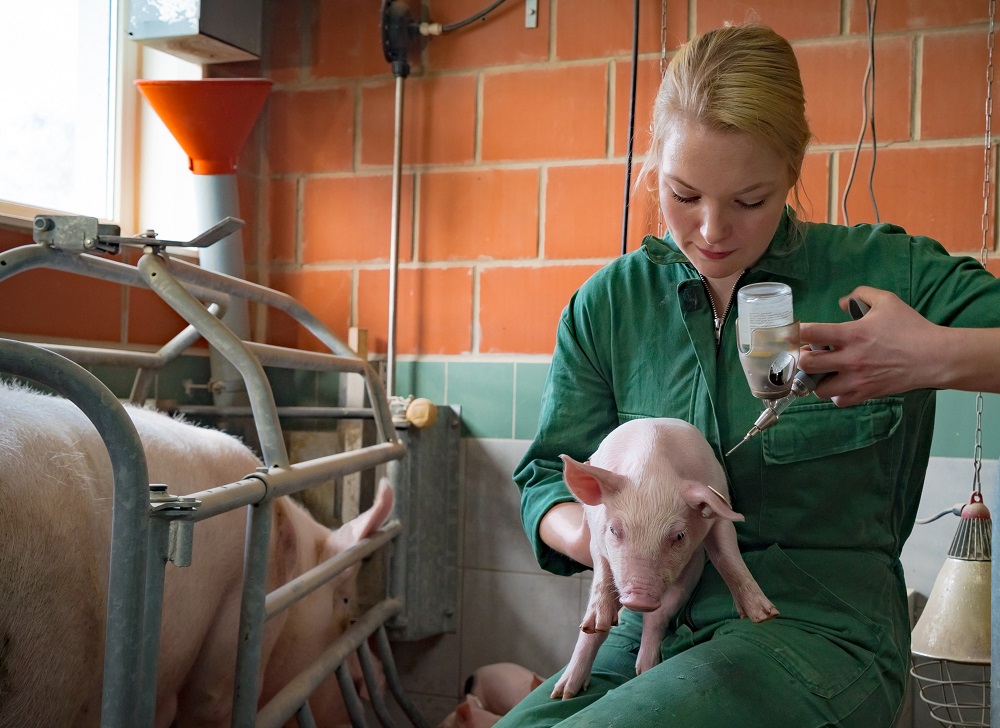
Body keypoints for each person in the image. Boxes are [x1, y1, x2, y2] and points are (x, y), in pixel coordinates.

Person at [501, 22, 1000, 728]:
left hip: (819, 632)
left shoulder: (884, 272)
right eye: (683, 195)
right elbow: (545, 480)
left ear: (793, 172)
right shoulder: (610, 305)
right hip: (647, 632)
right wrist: (611, 538)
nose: (711, 230)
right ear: (655, 167)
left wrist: (929, 356)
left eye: (749, 201)